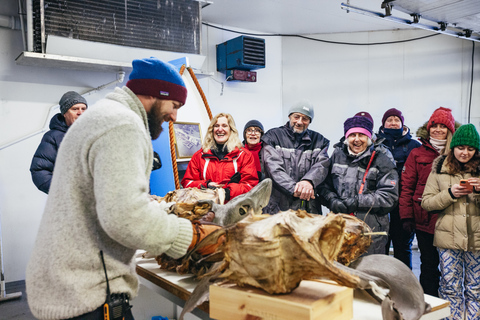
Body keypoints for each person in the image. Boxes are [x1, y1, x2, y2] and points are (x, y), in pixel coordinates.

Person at [26, 57, 220, 320]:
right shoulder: (123, 124)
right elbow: (125, 217)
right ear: (155, 93)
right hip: (88, 295)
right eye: (174, 105)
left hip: (67, 285)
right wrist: (193, 237)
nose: (174, 116)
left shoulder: (103, 115)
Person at [421, 124, 480, 320]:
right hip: (448, 240)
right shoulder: (439, 169)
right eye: (461, 148)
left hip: (477, 240)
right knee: (450, 286)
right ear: (453, 147)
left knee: (475, 287)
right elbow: (427, 202)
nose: (465, 153)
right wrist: (449, 194)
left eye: (470, 149)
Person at [399, 106, 458, 297]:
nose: (438, 130)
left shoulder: (458, 152)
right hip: (425, 220)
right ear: (428, 128)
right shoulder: (417, 153)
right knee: (429, 266)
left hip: (451, 220)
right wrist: (406, 216)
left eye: (443, 126)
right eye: (435, 126)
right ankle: (429, 305)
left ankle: (450, 306)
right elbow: (407, 186)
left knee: (451, 270)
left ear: (450, 130)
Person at [319, 114, 398, 255]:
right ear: (346, 137)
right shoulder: (337, 155)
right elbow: (324, 185)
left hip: (371, 232)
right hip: (341, 228)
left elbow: (389, 196)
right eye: (352, 135)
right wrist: (332, 200)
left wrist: (357, 202)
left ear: (368, 137)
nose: (356, 139)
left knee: (370, 273)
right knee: (342, 272)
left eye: (361, 135)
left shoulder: (382, 159)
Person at [261, 100, 329, 214]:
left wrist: (308, 181)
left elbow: (322, 165)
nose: (299, 122)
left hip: (308, 209)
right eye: (296, 117)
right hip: (277, 208)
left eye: (305, 119)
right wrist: (295, 189)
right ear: (289, 116)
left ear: (310, 121)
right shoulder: (273, 136)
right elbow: (273, 168)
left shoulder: (319, 141)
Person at [377, 108, 421, 269]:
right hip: (381, 205)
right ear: (383, 123)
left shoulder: (414, 146)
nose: (393, 122)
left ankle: (404, 285)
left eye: (397, 119)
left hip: (403, 206)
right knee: (380, 247)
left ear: (402, 123)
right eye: (389, 119)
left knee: (403, 248)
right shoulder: (375, 143)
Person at [181, 113, 259, 203]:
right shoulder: (199, 156)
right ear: (212, 129)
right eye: (216, 126)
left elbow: (250, 185)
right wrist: (206, 185)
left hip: (233, 209)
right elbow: (187, 183)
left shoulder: (244, 156)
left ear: (231, 130)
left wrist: (226, 192)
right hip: (206, 209)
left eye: (224, 126)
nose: (220, 129)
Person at [29, 91, 88, 194]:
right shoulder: (53, 137)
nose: (80, 112)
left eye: (83, 109)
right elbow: (39, 171)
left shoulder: (93, 134)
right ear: (65, 113)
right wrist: (65, 192)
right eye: (75, 109)